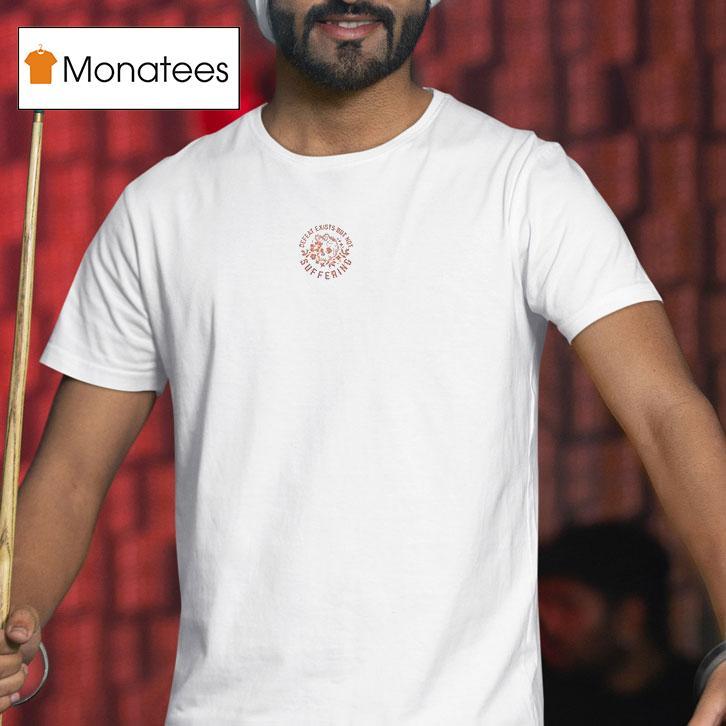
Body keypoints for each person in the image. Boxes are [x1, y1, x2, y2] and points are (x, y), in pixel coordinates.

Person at [3, 0, 725, 721]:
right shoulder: (161, 207)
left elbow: (664, 412)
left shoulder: (524, 181)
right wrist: (14, 621)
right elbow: (70, 473)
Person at [538, 520, 699, 725]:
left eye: (567, 606)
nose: (550, 626)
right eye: (543, 610)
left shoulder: (702, 699)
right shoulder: (545, 701)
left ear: (629, 617)